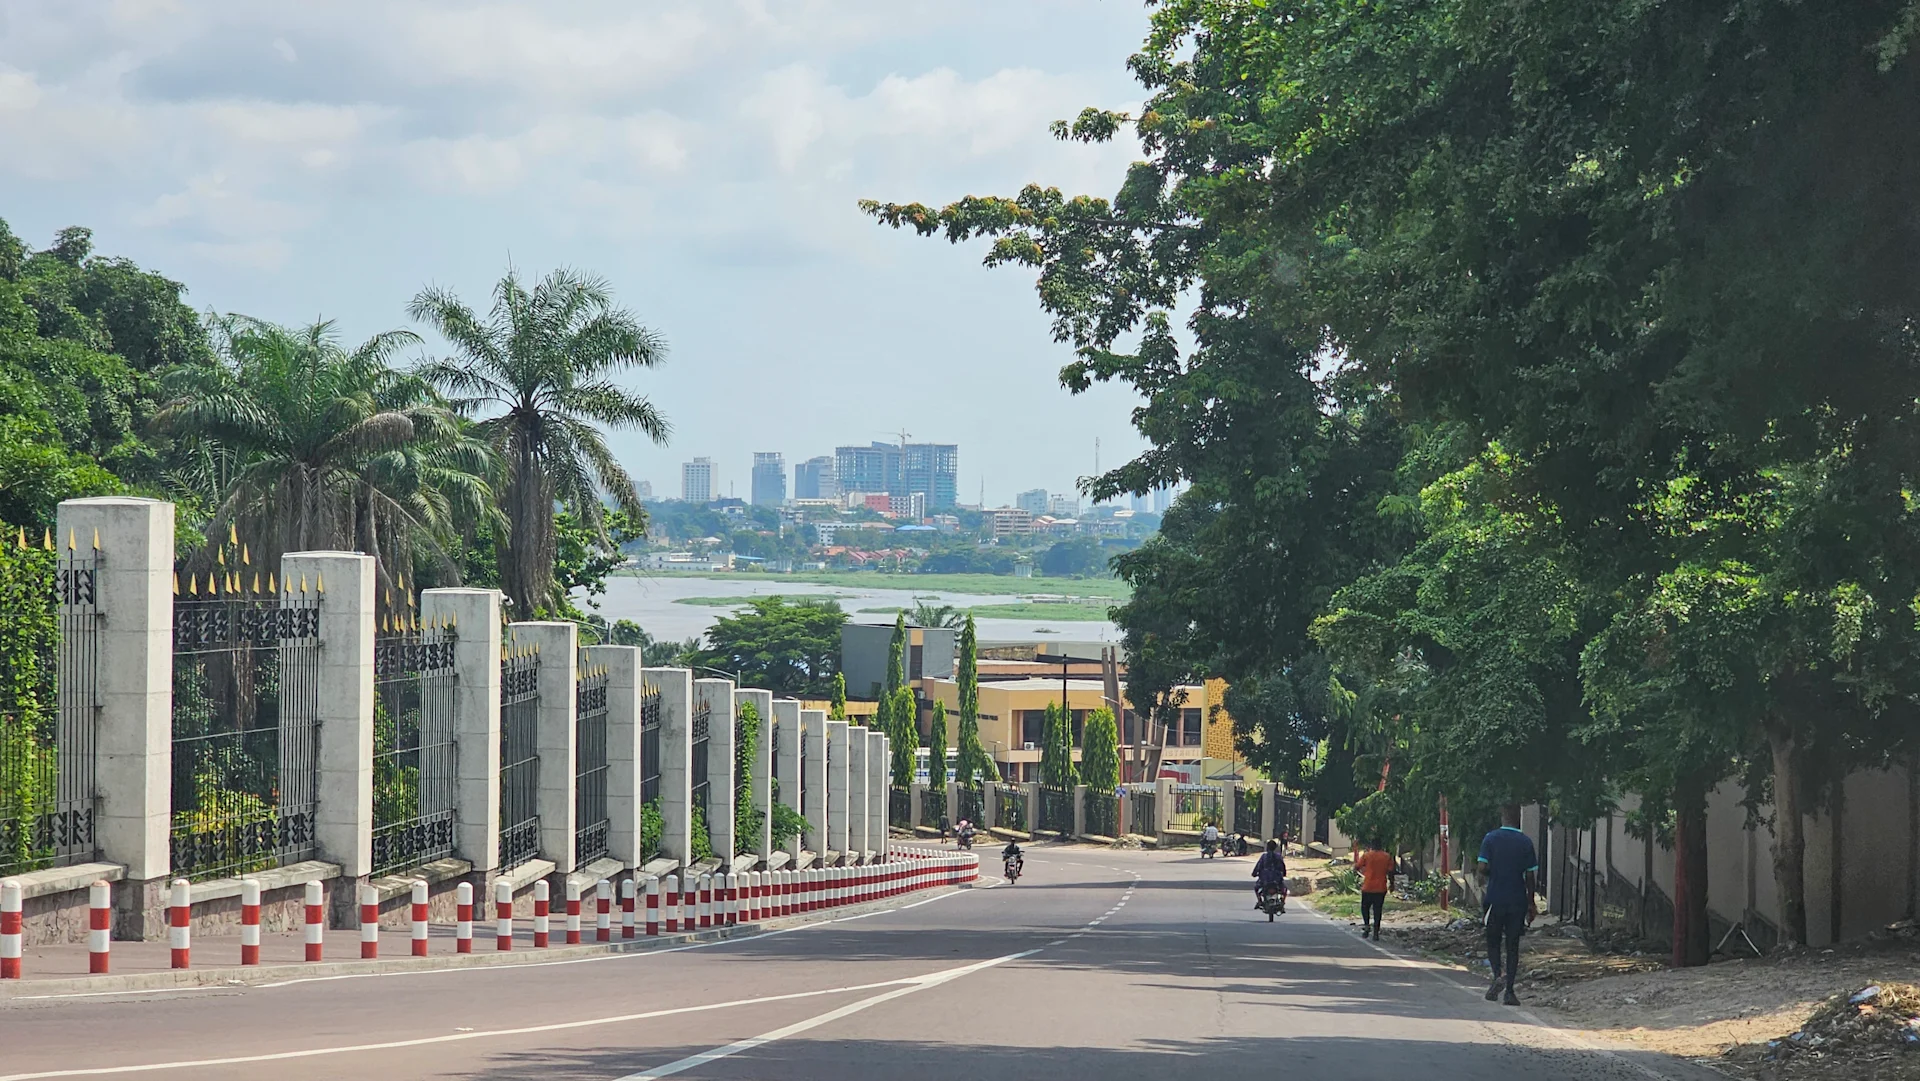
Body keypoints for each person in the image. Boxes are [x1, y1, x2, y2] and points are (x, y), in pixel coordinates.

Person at [1477, 804, 1540, 1006]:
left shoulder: (1491, 838)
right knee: (1512, 945)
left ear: (1503, 818)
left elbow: (1482, 867)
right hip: (1517, 900)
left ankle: (1498, 973)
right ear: (1518, 819)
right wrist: (1531, 903)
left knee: (1493, 941)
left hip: (1495, 898)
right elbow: (1530, 876)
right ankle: (1510, 992)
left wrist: (1494, 874)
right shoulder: (1525, 842)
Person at [1354, 839, 1396, 940]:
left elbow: (1357, 867)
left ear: (1371, 846)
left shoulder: (1366, 855)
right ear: (1381, 846)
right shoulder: (1387, 856)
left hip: (1368, 887)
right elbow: (1391, 872)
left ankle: (1367, 925)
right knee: (1378, 910)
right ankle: (1376, 932)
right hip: (1381, 888)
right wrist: (1392, 884)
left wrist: (1360, 872)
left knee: (1365, 908)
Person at [1252, 839, 1287, 909]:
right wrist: (1283, 874)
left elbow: (1258, 866)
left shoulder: (1264, 856)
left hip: (1265, 879)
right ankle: (1282, 902)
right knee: (1284, 890)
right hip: (1277, 879)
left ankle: (1259, 901)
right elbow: (1283, 867)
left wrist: (1254, 873)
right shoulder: (1278, 856)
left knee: (1256, 888)